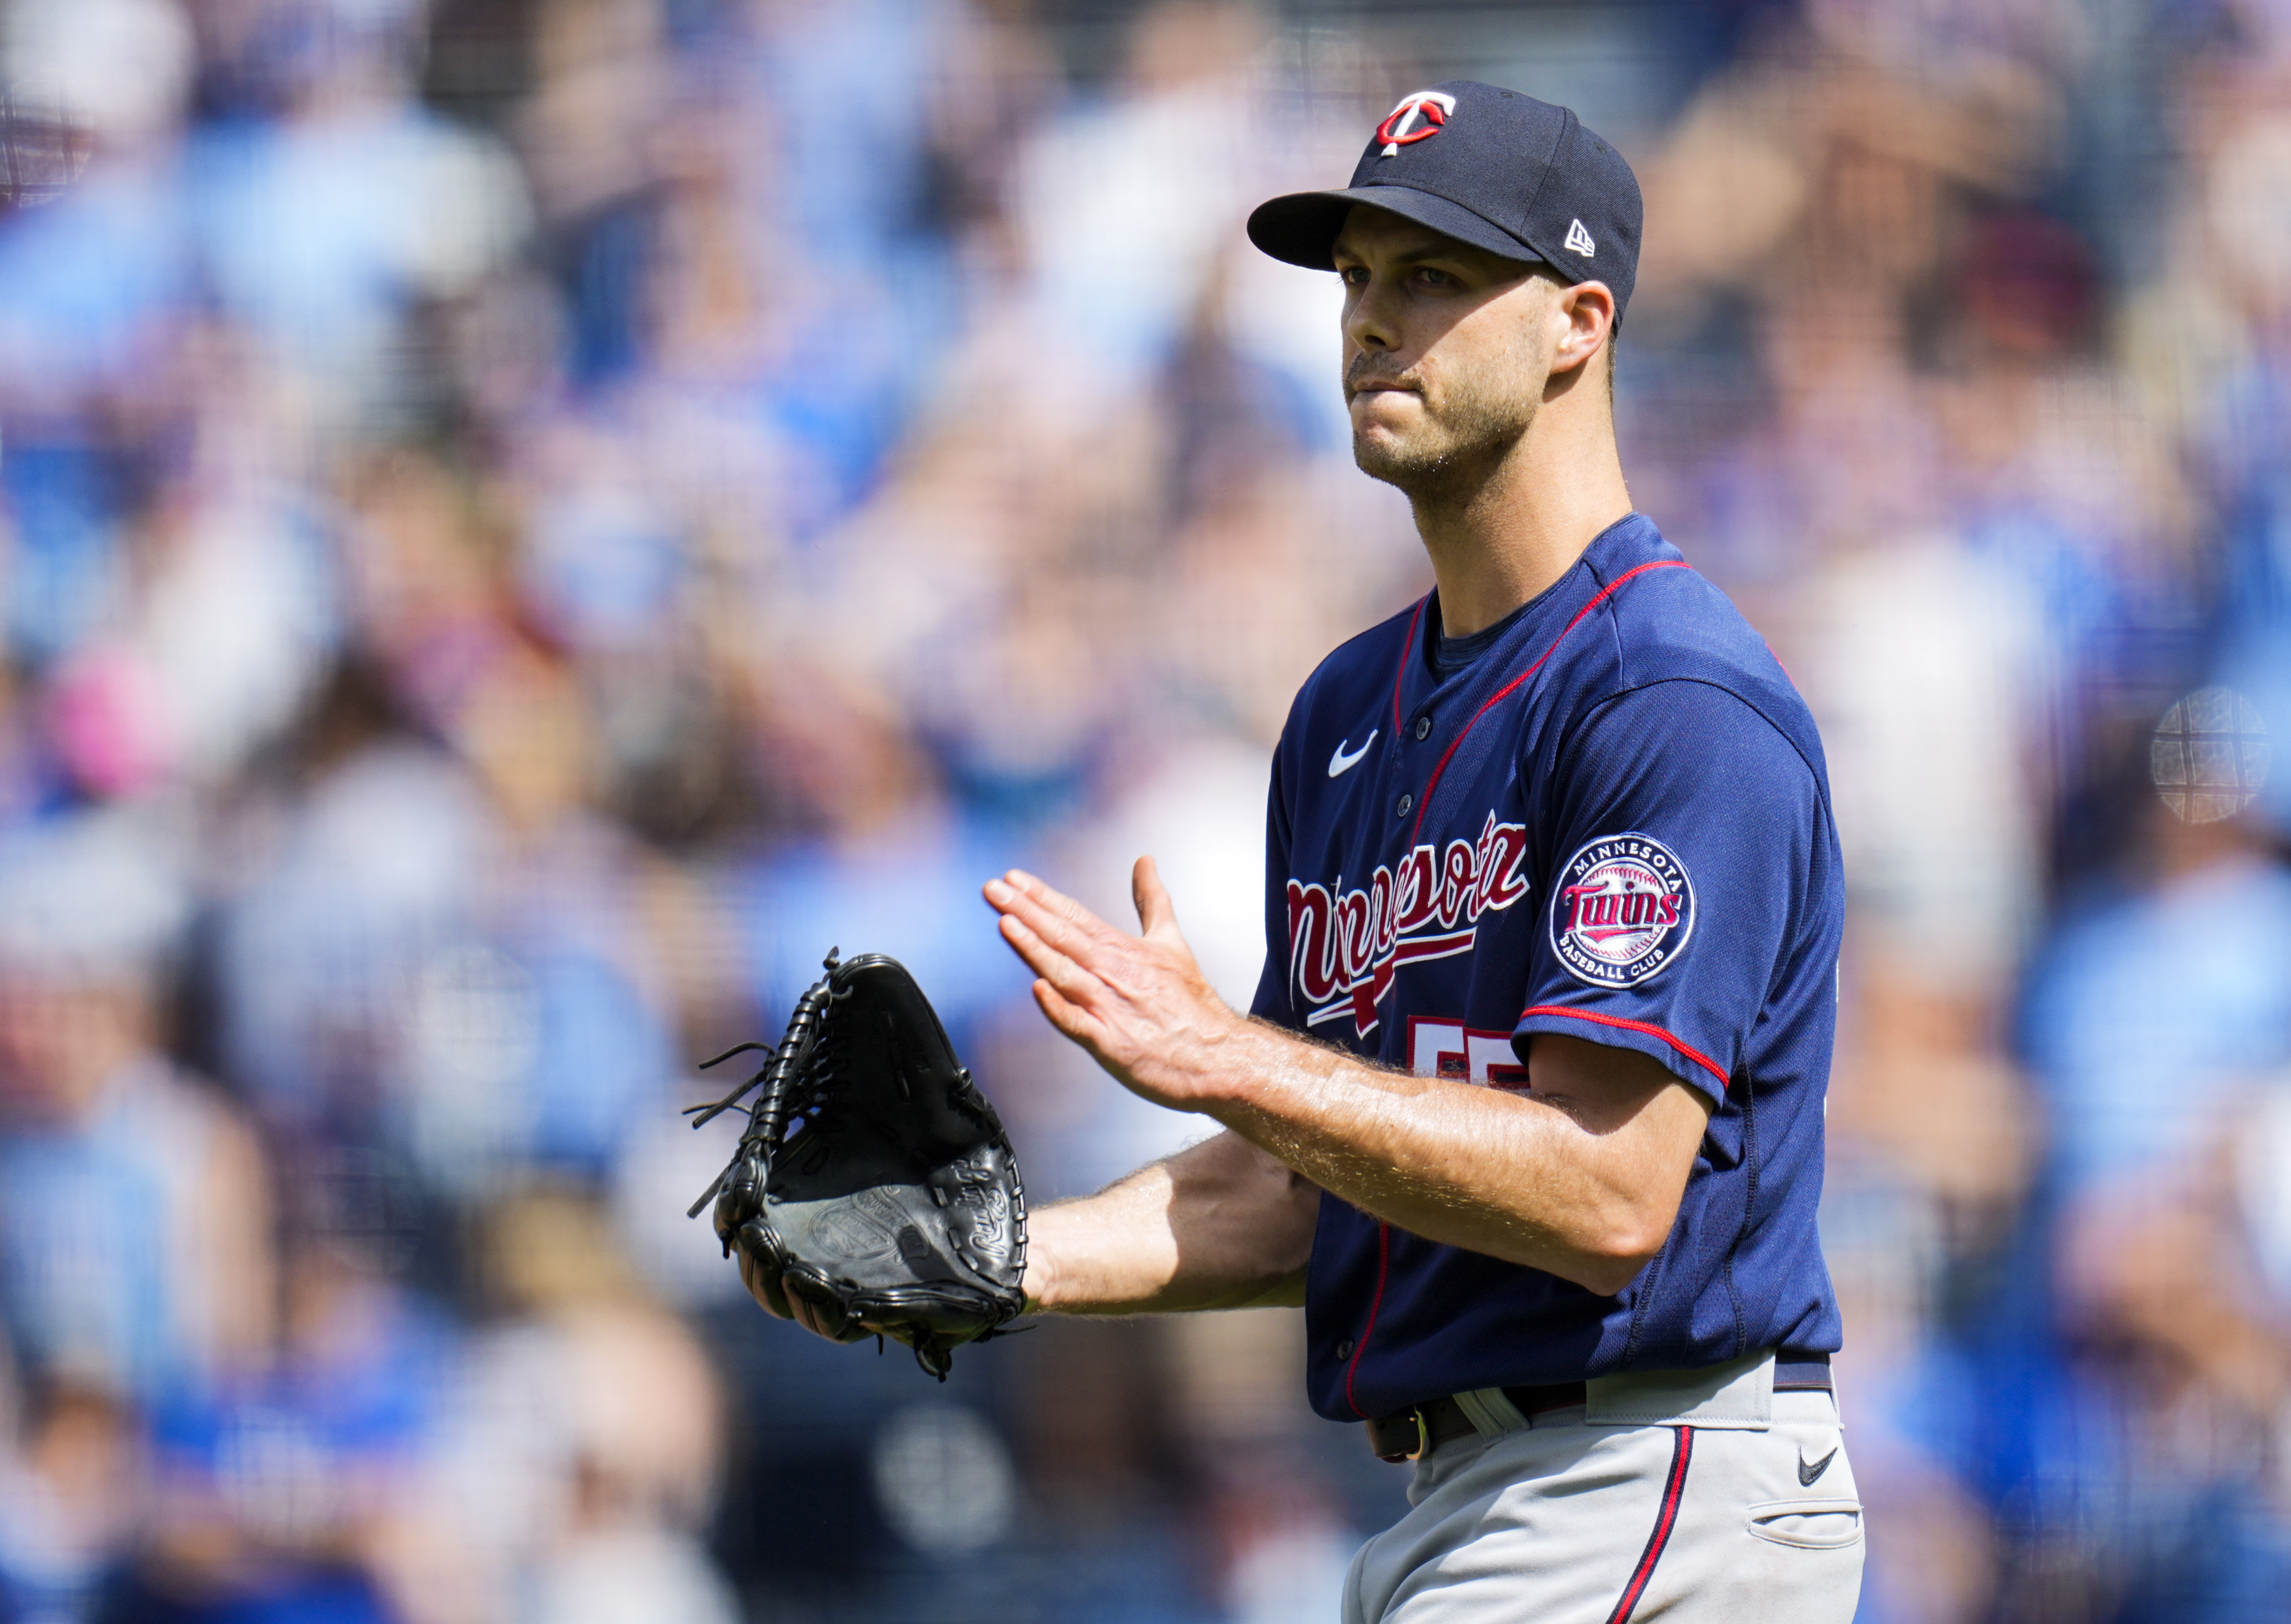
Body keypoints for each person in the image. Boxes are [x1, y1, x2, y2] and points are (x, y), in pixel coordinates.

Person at [981, 83, 1862, 1621]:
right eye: (1359, 280)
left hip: (1644, 1468)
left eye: (1437, 278)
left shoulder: (1665, 696)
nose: (1373, 323)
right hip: (1472, 1500)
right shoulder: (1344, 710)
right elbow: (1306, 1186)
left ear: (1576, 323)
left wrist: (1227, 1060)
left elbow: (1606, 1193)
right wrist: (987, 1257)